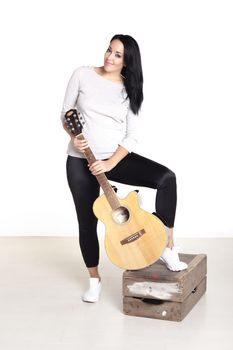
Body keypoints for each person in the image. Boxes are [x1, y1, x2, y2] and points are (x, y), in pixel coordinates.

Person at [61, 34, 188, 303]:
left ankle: (167, 245)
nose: (109, 57)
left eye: (118, 54)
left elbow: (131, 136)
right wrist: (74, 138)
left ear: (127, 61)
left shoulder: (130, 88)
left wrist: (109, 163)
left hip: (111, 158)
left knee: (167, 178)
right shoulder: (82, 75)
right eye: (109, 50)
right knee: (87, 221)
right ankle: (94, 280)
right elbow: (66, 113)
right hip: (80, 160)